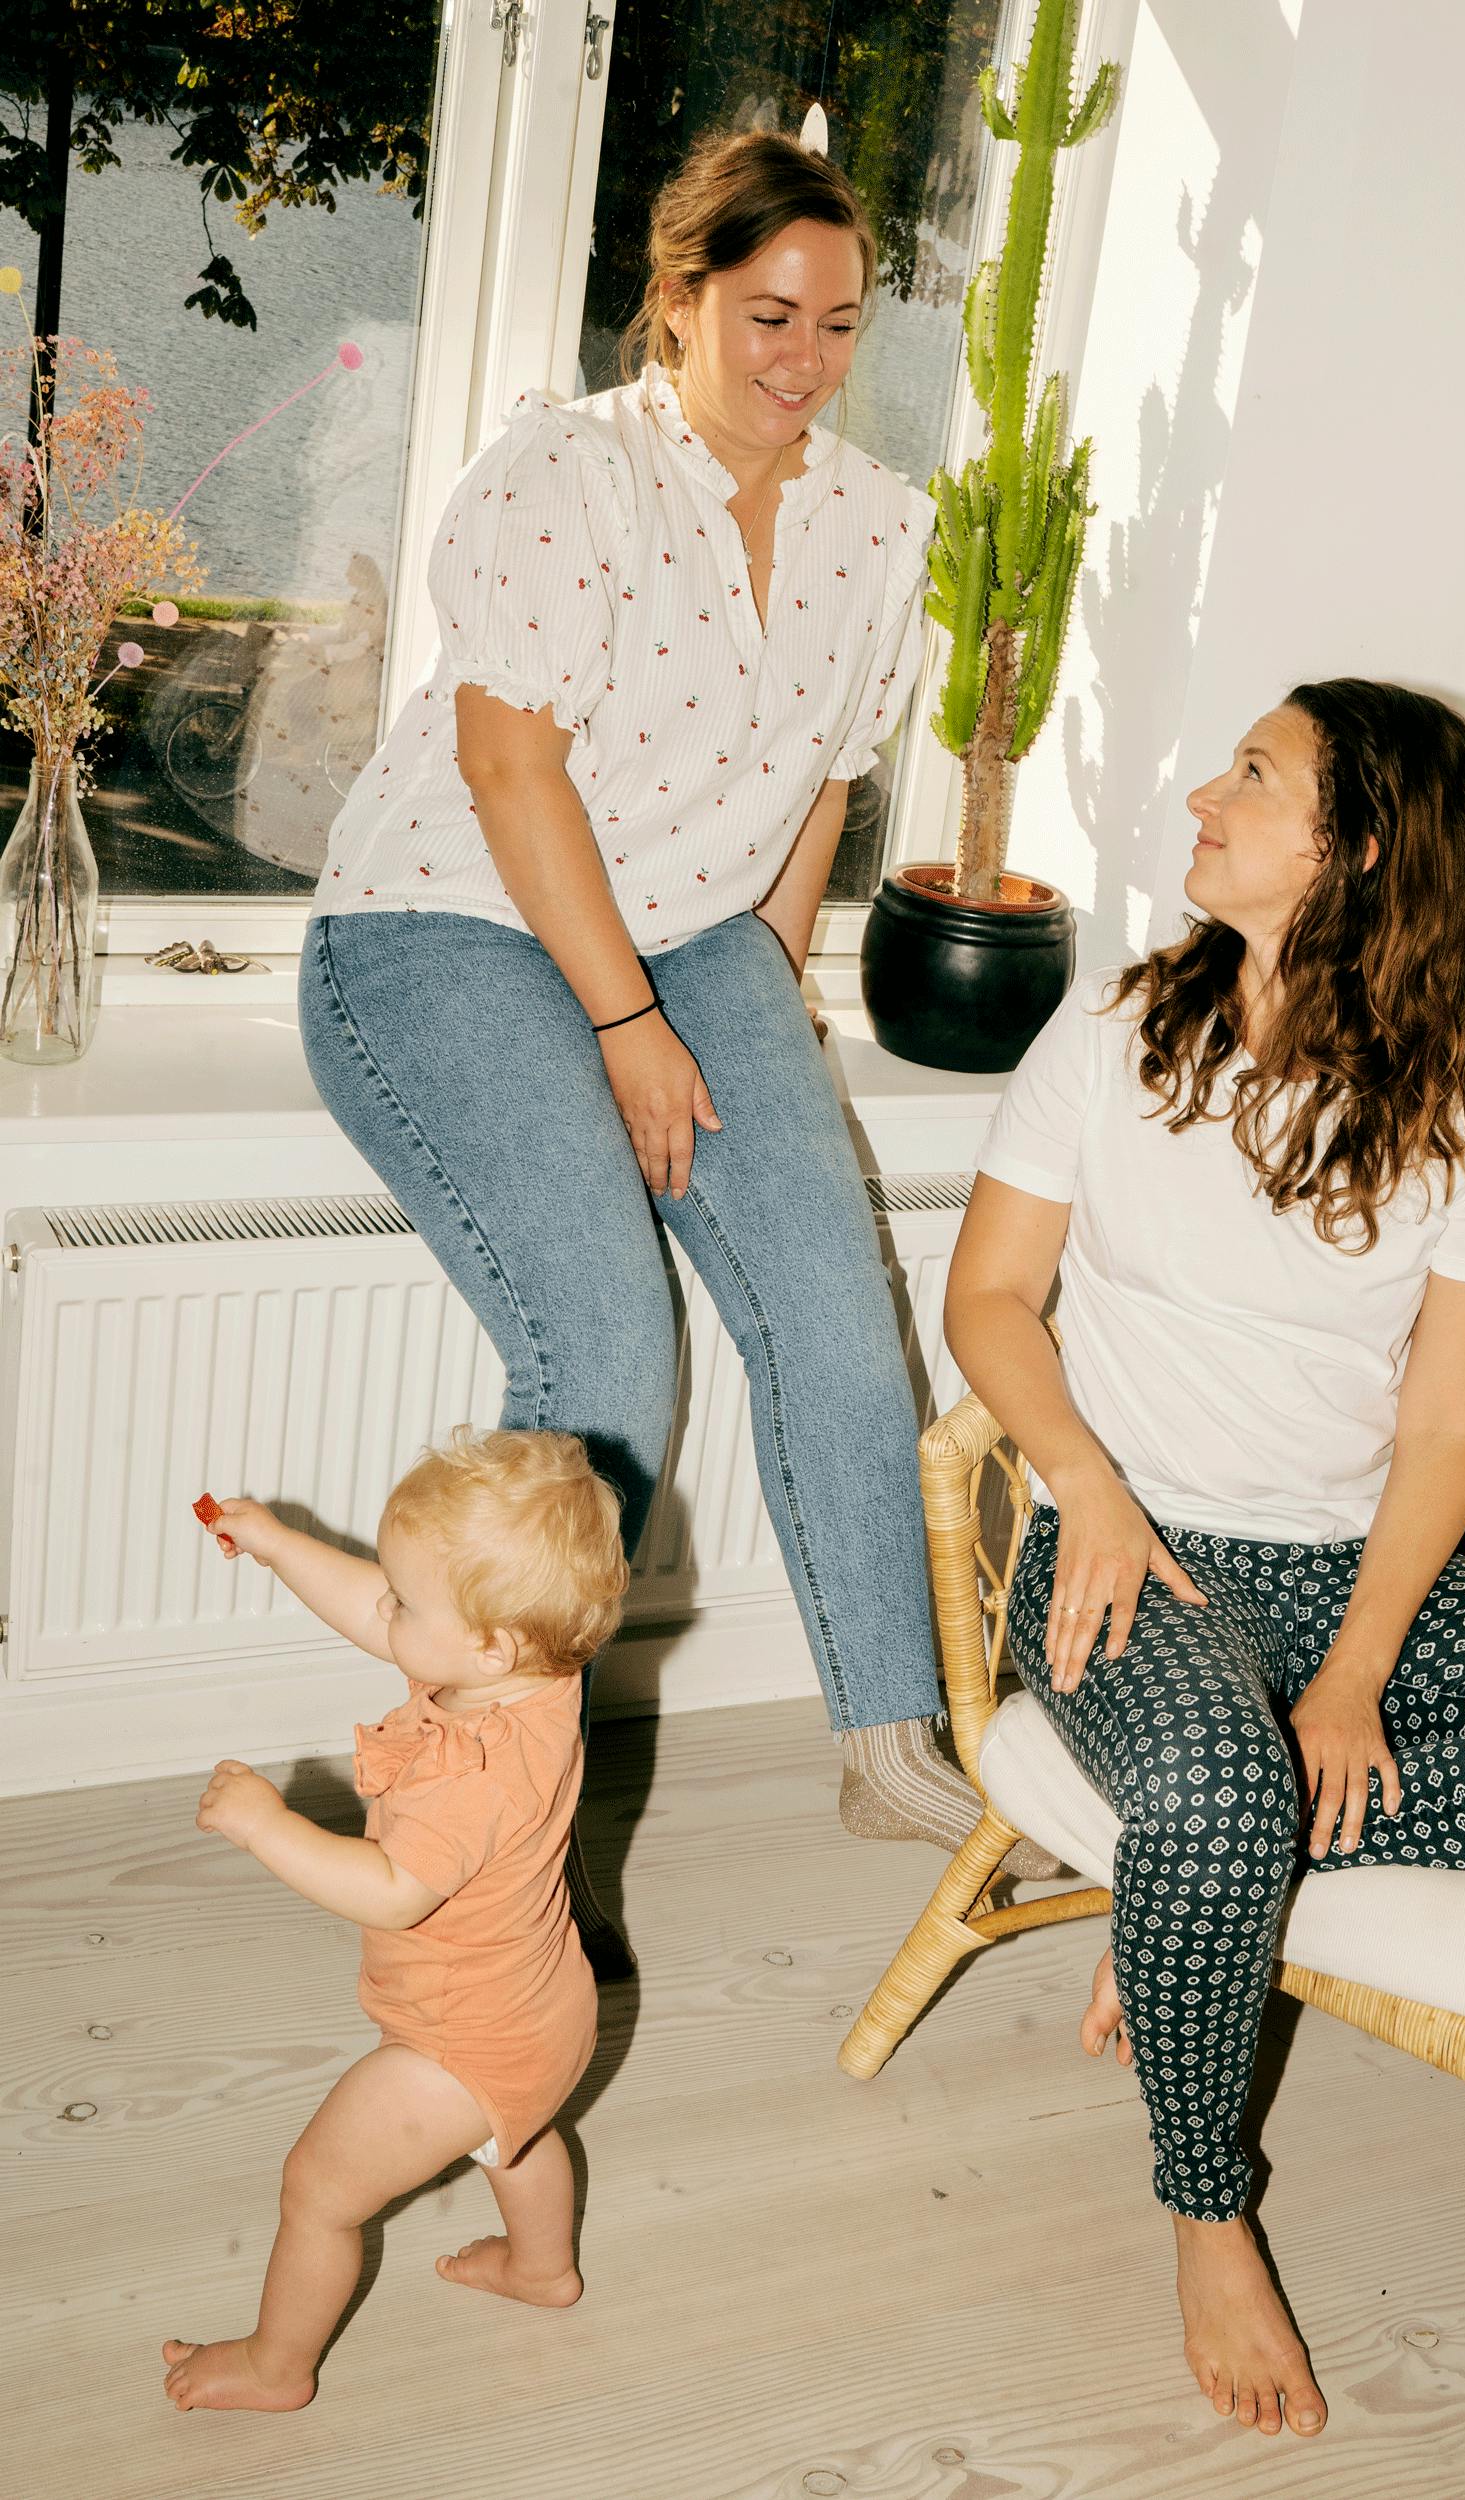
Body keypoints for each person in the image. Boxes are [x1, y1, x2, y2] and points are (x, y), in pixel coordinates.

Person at [943, 679, 1465, 2440]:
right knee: (1221, 1788)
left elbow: (1447, 1431)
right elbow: (988, 1304)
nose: (1202, 793)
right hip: (1124, 1557)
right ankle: (1204, 2202)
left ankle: (1205, 1871)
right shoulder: (1108, 1033)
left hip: (1343, 1569)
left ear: (1363, 848)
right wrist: (1081, 1479)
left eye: (1256, 775)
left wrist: (1354, 1669)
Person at [301, 131, 1045, 1977]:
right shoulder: (568, 471)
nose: (801, 356)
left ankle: (890, 1737)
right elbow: (503, 767)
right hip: (450, 918)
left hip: (700, 944)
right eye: (767, 313)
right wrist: (631, 1025)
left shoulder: (882, 523)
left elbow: (825, 786)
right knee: (610, 1349)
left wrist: (755, 1003)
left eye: (840, 323)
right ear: (684, 297)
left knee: (831, 1301)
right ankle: (487, 1802)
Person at [162, 1429, 628, 2413]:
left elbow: (389, 1888)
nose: (387, 1606)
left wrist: (267, 1826)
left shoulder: (468, 1774)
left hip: (455, 2042)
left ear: (486, 1642)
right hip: (545, 2009)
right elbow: (381, 1612)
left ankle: (274, 2366)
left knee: (318, 2193)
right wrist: (282, 1544)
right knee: (519, 2129)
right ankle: (542, 2270)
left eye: (408, 1599)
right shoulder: (536, 1669)